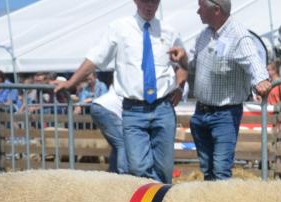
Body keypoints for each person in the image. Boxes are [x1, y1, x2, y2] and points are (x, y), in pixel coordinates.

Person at [56, 0, 186, 184]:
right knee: (137, 167)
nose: (149, 6)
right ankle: (149, 198)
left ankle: (159, 198)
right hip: (134, 110)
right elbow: (95, 58)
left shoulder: (170, 31)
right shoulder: (119, 28)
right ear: (136, 1)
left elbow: (182, 64)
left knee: (164, 169)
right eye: (145, 1)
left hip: (163, 107)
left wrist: (180, 86)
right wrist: (71, 81)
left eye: (154, 1)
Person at [167, 0, 270, 180]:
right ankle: (212, 198)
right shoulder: (204, 35)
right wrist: (182, 59)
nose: (198, 11)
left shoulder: (238, 35)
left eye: (201, 7)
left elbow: (254, 61)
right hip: (201, 112)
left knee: (221, 171)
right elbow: (192, 66)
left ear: (216, 10)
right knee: (208, 170)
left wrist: (261, 80)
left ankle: (221, 199)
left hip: (225, 114)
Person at [90, 81, 128, 174]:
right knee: (123, 143)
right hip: (108, 108)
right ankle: (124, 175)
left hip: (99, 105)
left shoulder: (122, 81)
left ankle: (113, 172)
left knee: (117, 145)